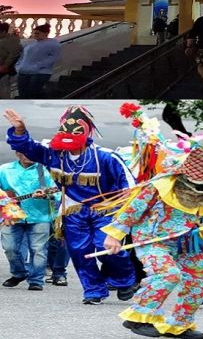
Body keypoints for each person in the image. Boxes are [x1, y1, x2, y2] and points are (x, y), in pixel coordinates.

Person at [102, 149, 203, 339]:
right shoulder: (160, 185)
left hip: (189, 240)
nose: (200, 187)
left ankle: (179, 325)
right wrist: (114, 235)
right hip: (154, 239)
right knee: (168, 274)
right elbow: (133, 209)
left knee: (198, 282)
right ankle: (138, 317)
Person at [3, 106, 137, 304]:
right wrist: (20, 130)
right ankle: (93, 290)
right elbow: (27, 147)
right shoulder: (54, 155)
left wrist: (124, 217)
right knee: (81, 253)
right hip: (73, 210)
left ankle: (123, 279)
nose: (69, 146)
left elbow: (130, 188)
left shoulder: (107, 157)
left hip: (105, 209)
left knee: (106, 246)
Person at [0, 152, 58, 291]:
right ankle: (19, 273)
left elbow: (59, 192)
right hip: (12, 216)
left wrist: (46, 195)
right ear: (17, 153)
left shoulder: (46, 171)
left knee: (38, 250)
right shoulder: (4, 169)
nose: (29, 155)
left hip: (40, 216)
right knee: (10, 248)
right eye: (25, 152)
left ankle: (36, 280)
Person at [15, 24, 61, 99]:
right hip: (24, 71)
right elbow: (23, 57)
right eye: (34, 33)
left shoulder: (53, 44)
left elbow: (53, 57)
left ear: (45, 33)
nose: (35, 35)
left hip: (40, 72)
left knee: (33, 92)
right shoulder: (31, 45)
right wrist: (18, 66)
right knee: (23, 93)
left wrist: (38, 66)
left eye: (38, 33)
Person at [0, 22, 21, 99]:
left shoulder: (12, 41)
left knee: (3, 89)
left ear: (4, 32)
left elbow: (13, 55)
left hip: (5, 70)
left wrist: (5, 65)